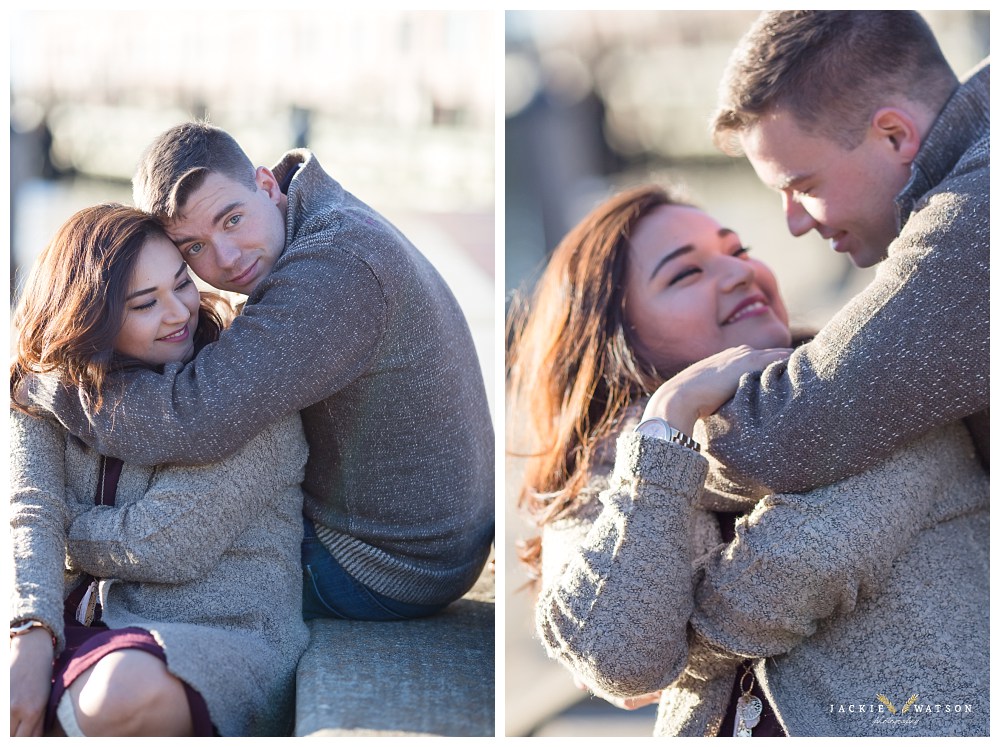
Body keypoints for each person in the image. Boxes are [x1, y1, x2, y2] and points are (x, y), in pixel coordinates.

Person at [506, 185, 988, 736]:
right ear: (619, 335)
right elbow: (619, 657)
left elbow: (807, 562)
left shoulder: (876, 390)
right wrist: (667, 422)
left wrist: (678, 640)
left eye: (737, 251)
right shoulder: (612, 466)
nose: (739, 273)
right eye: (686, 273)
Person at [25, 122, 495, 620]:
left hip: (387, 565)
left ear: (267, 186)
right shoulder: (319, 219)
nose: (226, 259)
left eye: (232, 220)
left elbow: (194, 417)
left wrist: (48, 383)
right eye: (193, 249)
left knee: (186, 559)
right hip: (420, 536)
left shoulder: (334, 270)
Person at [10, 204, 309, 736]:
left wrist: (61, 524)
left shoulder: (243, 390)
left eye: (181, 285)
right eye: (146, 303)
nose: (178, 313)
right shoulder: (45, 388)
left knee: (120, 693)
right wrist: (30, 633)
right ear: (89, 318)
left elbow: (165, 543)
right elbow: (26, 510)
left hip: (211, 637)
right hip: (71, 619)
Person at [700, 10, 988, 496]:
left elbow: (778, 440)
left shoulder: (975, 213)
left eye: (804, 186)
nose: (794, 223)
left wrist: (664, 422)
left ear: (894, 134)